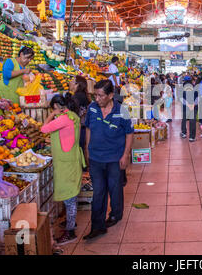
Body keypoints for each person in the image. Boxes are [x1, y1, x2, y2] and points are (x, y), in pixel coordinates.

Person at [83, 80, 134, 240]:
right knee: (98, 192)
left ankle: (116, 214)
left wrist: (126, 155)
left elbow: (129, 133)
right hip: (96, 157)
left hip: (115, 158)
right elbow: (89, 129)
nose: (97, 99)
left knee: (115, 188)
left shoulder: (122, 110)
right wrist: (87, 150)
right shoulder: (92, 108)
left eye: (101, 95)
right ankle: (97, 226)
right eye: (95, 95)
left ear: (111, 95)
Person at [41, 94, 84, 245]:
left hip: (66, 164)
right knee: (72, 196)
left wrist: (51, 115)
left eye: (53, 109)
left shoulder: (63, 118)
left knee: (69, 199)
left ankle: (70, 232)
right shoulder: (72, 115)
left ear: (57, 107)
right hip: (72, 160)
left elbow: (43, 129)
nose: (53, 112)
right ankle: (71, 223)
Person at [69, 75, 91, 155]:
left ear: (77, 85)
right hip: (83, 127)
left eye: (72, 81)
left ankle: (82, 166)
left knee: (79, 149)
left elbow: (74, 113)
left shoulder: (77, 97)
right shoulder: (82, 95)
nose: (70, 82)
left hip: (80, 128)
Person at [180, 75, 198, 142]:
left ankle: (184, 133)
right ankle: (192, 137)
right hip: (193, 107)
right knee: (192, 121)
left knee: (184, 119)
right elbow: (198, 98)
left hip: (185, 107)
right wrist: (193, 104)